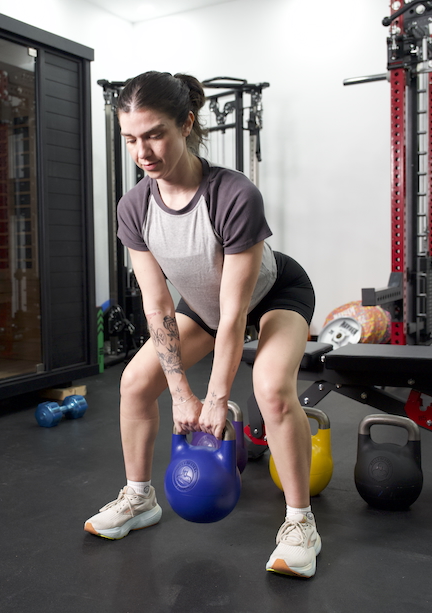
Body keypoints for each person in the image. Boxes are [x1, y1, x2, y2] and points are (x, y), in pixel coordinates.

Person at [84, 71, 320, 578]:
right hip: (204, 307)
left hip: (273, 296)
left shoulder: (232, 194)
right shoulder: (135, 207)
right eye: (130, 139)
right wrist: (180, 392)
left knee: (272, 390)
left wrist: (214, 397)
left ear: (186, 123)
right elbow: (157, 305)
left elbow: (236, 313)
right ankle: (140, 498)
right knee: (134, 382)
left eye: (155, 134)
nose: (143, 151)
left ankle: (301, 523)